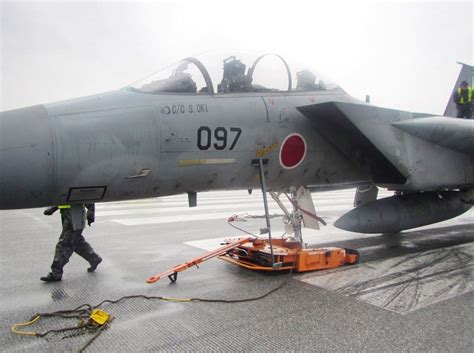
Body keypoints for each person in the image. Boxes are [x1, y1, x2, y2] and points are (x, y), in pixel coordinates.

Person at [40, 204, 102, 282]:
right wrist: (53, 208)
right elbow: (64, 197)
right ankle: (94, 258)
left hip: (75, 214)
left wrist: (91, 212)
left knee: (65, 243)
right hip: (67, 214)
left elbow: (84, 194)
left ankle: (56, 272)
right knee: (76, 241)